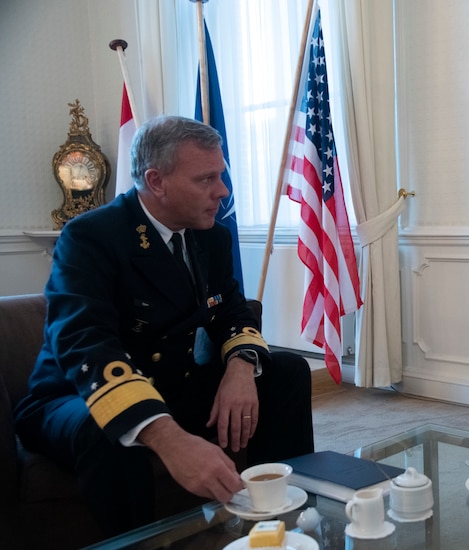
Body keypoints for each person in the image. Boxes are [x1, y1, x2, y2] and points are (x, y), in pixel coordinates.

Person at [14, 115, 314, 536]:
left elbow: (232, 311)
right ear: (156, 182)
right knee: (109, 429)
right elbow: (86, 345)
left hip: (171, 384)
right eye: (206, 179)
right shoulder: (92, 237)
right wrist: (166, 436)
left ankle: (281, 521)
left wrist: (241, 367)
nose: (222, 191)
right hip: (75, 396)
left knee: (286, 373)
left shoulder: (212, 236)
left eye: (221, 176)